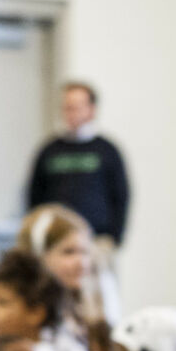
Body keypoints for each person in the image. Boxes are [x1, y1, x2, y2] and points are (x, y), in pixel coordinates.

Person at [25, 81, 129, 316]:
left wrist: (114, 237)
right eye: (67, 107)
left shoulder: (107, 150)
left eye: (77, 106)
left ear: (91, 110)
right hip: (55, 243)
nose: (70, 112)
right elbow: (35, 195)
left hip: (98, 241)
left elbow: (121, 196)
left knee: (99, 304)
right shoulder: (49, 150)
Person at [17, 203, 106, 332]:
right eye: (69, 252)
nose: (82, 263)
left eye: (85, 252)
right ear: (37, 256)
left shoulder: (87, 310)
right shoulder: (24, 317)